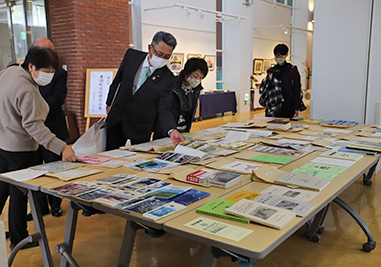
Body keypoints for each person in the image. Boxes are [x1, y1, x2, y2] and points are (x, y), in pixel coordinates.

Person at [0, 46, 77, 250]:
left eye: (52, 72)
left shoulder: (8, 72)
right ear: (31, 66)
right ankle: (19, 238)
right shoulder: (26, 89)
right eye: (46, 71)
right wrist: (63, 147)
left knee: (1, 190)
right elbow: (34, 126)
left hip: (2, 143)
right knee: (18, 194)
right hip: (19, 148)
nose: (49, 76)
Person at [105, 31, 185, 149]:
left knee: (139, 159)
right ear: (150, 48)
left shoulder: (168, 78)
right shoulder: (131, 56)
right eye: (159, 53)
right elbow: (117, 80)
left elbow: (164, 107)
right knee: (110, 155)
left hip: (140, 125)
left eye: (167, 56)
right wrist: (109, 103)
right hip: (118, 117)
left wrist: (171, 130)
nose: (162, 59)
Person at [24, 38, 69, 221]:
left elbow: (58, 98)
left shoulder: (58, 74)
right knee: (34, 169)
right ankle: (39, 207)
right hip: (31, 131)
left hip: (52, 126)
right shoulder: (25, 74)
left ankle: (56, 204)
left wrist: (37, 109)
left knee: (55, 168)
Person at [163, 57, 208, 134]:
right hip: (168, 131)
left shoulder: (195, 90)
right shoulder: (172, 85)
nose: (198, 80)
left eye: (201, 78)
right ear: (187, 73)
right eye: (195, 76)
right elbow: (164, 110)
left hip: (184, 130)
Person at [259, 43, 301, 118]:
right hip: (273, 107)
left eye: (282, 56)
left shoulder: (292, 69)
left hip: (288, 107)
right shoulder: (272, 70)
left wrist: (296, 107)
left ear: (286, 55)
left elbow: (296, 89)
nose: (279, 58)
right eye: (277, 56)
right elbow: (265, 89)